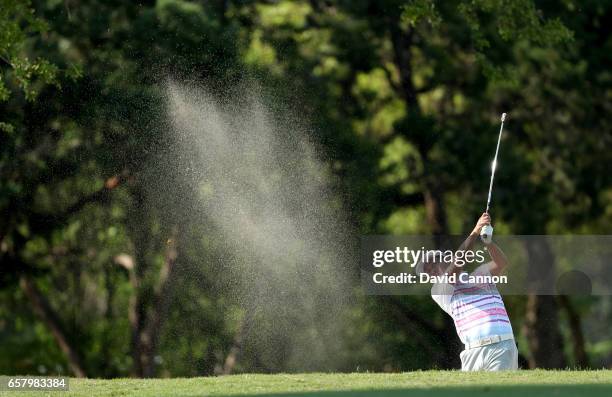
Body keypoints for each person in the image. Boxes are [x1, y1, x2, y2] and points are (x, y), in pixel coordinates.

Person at [416, 213, 518, 371]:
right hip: (471, 353)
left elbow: (501, 262)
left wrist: (488, 242)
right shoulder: (439, 291)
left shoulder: (480, 274)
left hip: (501, 345)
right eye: (428, 271)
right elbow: (457, 265)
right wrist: (475, 231)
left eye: (435, 263)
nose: (433, 270)